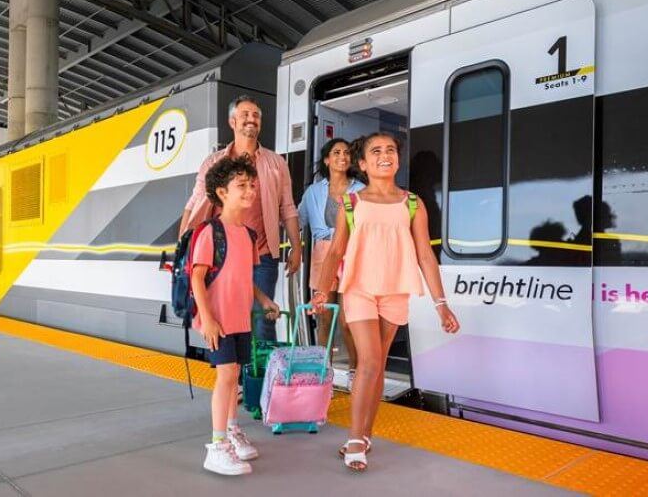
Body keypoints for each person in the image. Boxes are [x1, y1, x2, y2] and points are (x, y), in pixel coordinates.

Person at [311, 131, 460, 472]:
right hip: (359, 289)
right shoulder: (351, 203)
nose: (384, 155)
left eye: (390, 150)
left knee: (375, 366)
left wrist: (441, 303)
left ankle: (365, 434)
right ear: (362, 163)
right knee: (369, 361)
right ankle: (354, 438)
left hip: (395, 290)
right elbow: (335, 251)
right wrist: (322, 291)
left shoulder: (412, 203)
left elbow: (425, 254)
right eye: (375, 151)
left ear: (398, 158)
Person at [181, 95, 301, 341]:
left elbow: (287, 207)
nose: (251, 119)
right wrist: (183, 244)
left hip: (262, 256)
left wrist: (297, 248)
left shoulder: (276, 163)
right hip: (222, 256)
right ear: (232, 121)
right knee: (224, 319)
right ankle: (231, 374)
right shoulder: (214, 162)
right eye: (245, 114)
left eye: (256, 115)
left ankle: (260, 380)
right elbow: (193, 204)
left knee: (262, 321)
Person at [191, 156, 281, 476]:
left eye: (252, 185)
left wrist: (265, 299)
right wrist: (208, 318)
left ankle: (231, 431)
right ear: (221, 192)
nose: (250, 190)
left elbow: (246, 278)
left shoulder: (248, 234)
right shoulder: (210, 231)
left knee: (234, 379)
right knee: (226, 377)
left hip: (240, 319)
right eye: (241, 185)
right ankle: (216, 448)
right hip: (218, 319)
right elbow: (197, 277)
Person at [297, 138, 364, 386]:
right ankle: (324, 372)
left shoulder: (360, 189)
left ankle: (355, 373)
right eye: (336, 153)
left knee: (348, 320)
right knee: (324, 316)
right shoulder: (314, 191)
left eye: (346, 153)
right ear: (327, 160)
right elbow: (297, 218)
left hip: (350, 254)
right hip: (322, 255)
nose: (343, 157)